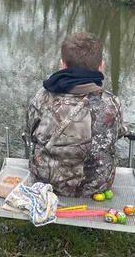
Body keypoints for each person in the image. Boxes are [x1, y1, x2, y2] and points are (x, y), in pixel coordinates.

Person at [26, 31, 126, 198]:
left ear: (62, 64)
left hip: (47, 182)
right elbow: (117, 134)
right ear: (101, 66)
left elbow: (30, 132)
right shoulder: (112, 103)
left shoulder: (42, 98)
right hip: (96, 186)